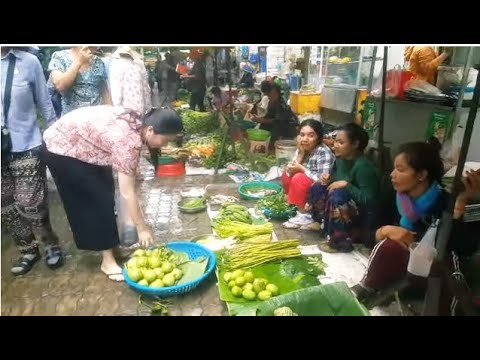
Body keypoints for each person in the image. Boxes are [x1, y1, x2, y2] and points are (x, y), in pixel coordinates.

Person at [42, 106, 183, 281]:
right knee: (96, 202)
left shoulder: (139, 125)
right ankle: (107, 261)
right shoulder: (127, 142)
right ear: (150, 130)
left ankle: (113, 247)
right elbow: (126, 193)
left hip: (86, 146)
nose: (165, 145)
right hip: (62, 149)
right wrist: (142, 228)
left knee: (106, 195)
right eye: (165, 140)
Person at [351, 141, 480, 306]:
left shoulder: (446, 203)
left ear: (421, 175)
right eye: (394, 168)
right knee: (389, 246)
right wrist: (384, 231)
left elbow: (462, 250)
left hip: (429, 279)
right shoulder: (392, 194)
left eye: (400, 169)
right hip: (393, 273)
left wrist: (460, 205)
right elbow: (367, 234)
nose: (392, 174)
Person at [1, 47, 64, 275]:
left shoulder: (29, 62)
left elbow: (45, 102)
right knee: (5, 206)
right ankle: (27, 249)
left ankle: (50, 244)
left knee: (31, 203)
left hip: (26, 142)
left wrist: (56, 136)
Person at [307, 123, 381, 252]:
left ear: (355, 144)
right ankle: (323, 225)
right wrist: (329, 179)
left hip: (360, 214)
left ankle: (340, 241)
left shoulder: (363, 167)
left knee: (338, 194)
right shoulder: (340, 159)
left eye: (341, 142)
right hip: (343, 206)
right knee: (318, 186)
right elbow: (336, 179)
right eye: (335, 141)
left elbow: (370, 201)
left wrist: (347, 185)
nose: (335, 145)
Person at [281, 120, 335, 213]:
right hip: (305, 185)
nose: (305, 139)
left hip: (319, 191)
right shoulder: (302, 148)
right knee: (287, 172)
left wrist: (302, 169)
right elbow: (291, 169)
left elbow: (322, 180)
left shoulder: (323, 152)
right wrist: (301, 154)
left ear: (318, 138)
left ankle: (303, 213)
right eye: (302, 135)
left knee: (299, 178)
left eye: (311, 136)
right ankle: (292, 204)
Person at [48, 46, 111, 115]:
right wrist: (78, 62)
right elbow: (60, 86)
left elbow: (104, 92)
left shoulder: (98, 61)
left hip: (95, 119)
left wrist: (111, 115)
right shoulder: (60, 57)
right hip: (71, 120)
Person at [109, 46, 152, 115]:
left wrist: (117, 108)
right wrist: (148, 107)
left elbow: (116, 90)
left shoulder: (115, 65)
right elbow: (146, 89)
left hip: (125, 110)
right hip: (140, 108)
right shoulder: (139, 64)